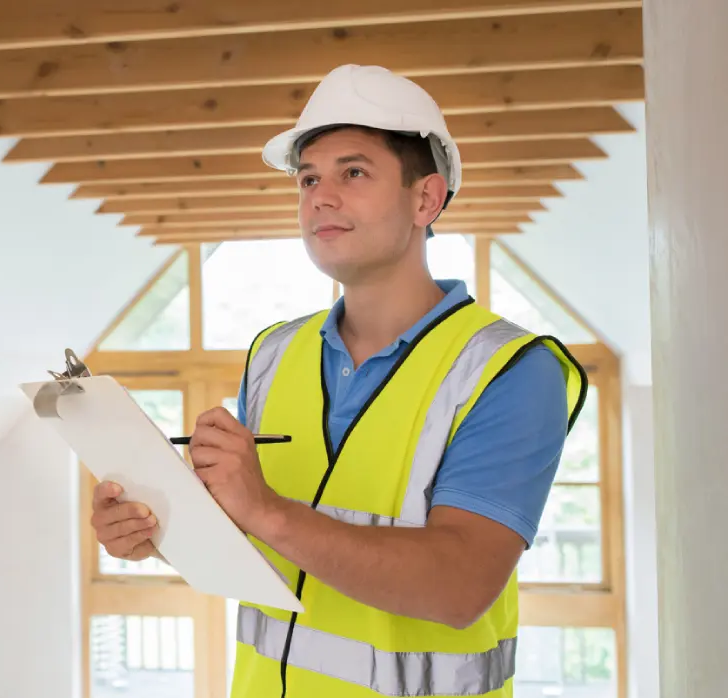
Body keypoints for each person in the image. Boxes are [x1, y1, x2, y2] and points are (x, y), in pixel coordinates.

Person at [90, 64, 587, 698]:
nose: (320, 196)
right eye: (308, 179)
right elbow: (254, 545)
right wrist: (154, 530)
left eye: (353, 173)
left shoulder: (509, 369)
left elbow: (459, 587)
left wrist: (264, 508)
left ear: (425, 199)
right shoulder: (274, 353)